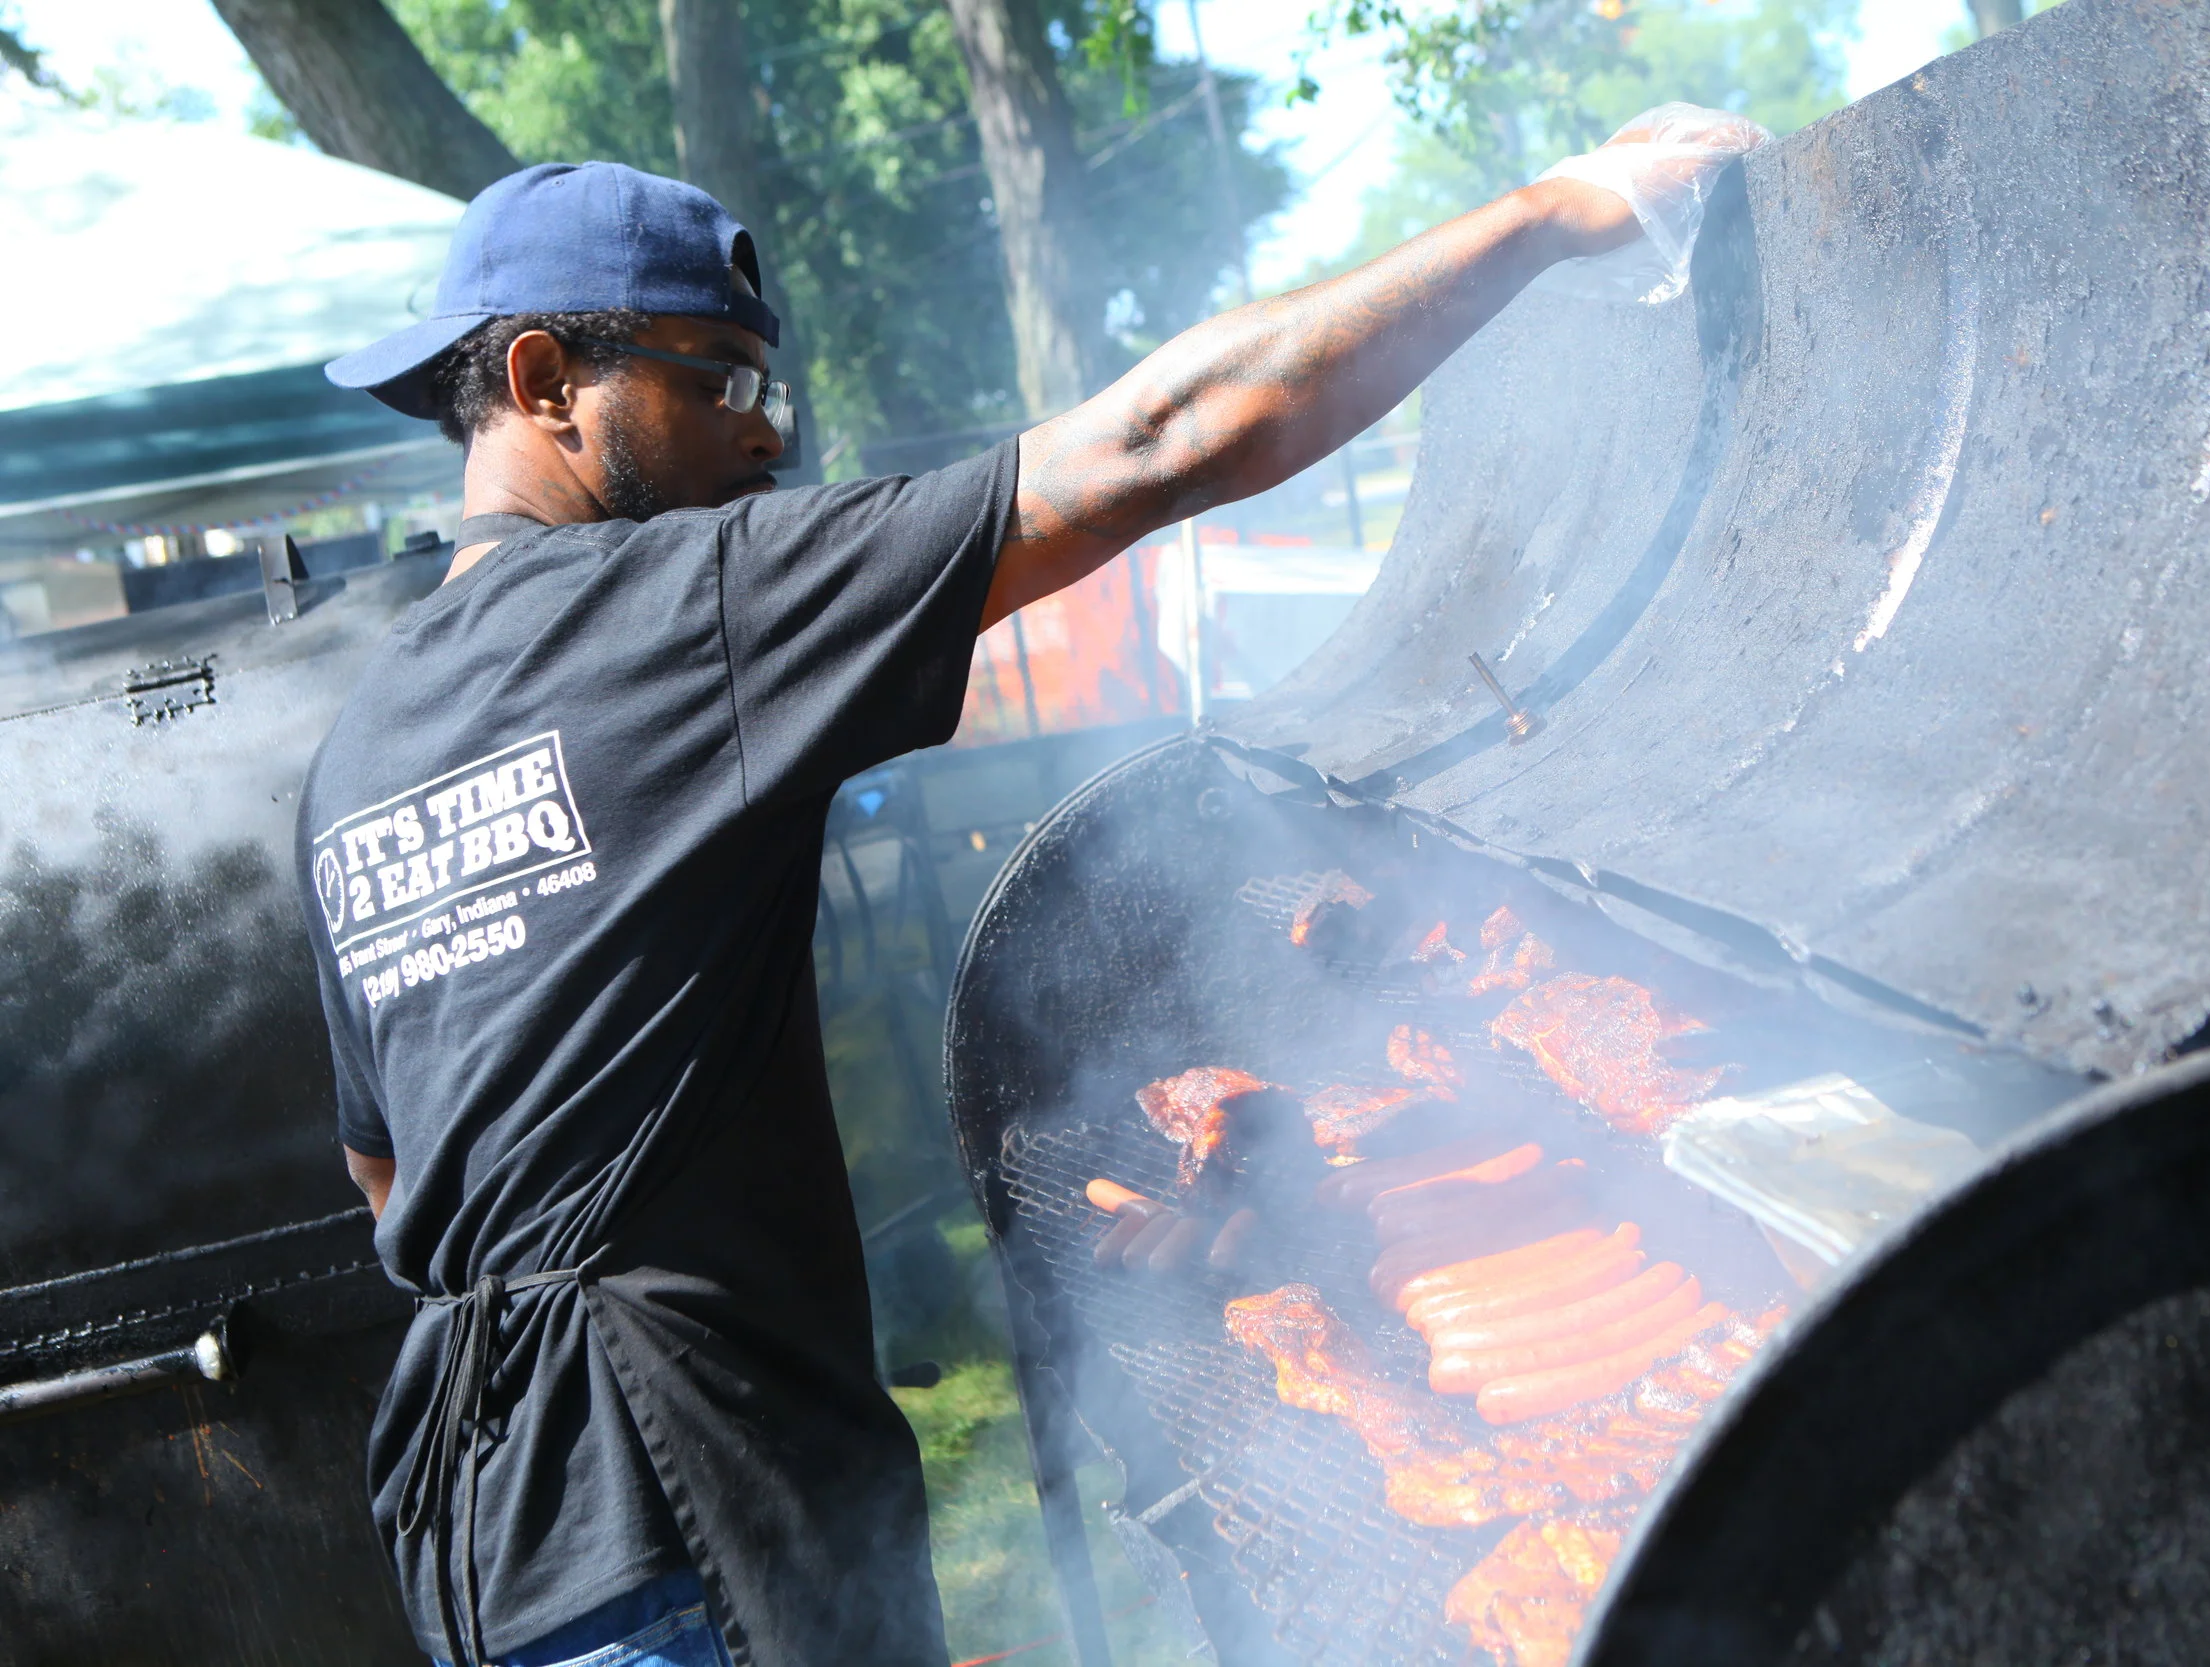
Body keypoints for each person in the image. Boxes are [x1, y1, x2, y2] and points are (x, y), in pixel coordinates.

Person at [298, 104, 1766, 1667]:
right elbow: (1151, 445)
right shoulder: (673, 611)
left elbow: (382, 1166)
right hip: (694, 1524)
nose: (768, 433)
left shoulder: (358, 745)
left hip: (486, 1551)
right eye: (715, 380)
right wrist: (1553, 214)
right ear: (545, 384)